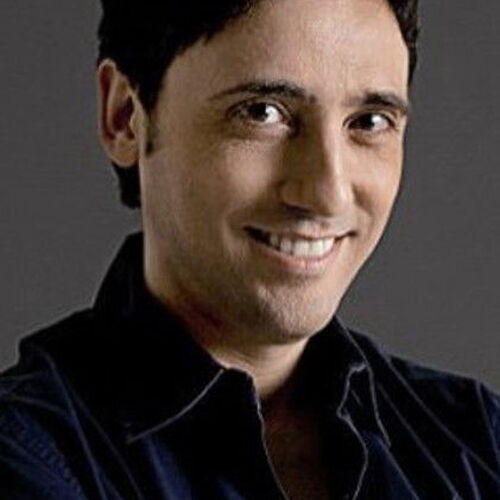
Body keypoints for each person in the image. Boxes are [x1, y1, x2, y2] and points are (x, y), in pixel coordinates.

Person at [1, 0, 499, 498]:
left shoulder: (479, 440)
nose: (328, 193)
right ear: (126, 117)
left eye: (369, 122)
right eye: (262, 112)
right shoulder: (26, 453)